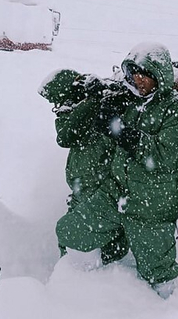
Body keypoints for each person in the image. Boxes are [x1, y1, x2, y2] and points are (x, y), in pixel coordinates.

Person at [55, 43, 178, 299]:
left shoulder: (176, 110)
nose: (138, 79)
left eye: (144, 73)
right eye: (133, 73)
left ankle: (170, 308)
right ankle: (84, 288)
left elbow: (163, 155)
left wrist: (121, 131)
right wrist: (103, 104)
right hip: (114, 192)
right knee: (71, 231)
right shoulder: (128, 99)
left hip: (151, 204)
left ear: (159, 76)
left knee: (158, 273)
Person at [39, 70, 129, 263]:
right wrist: (89, 102)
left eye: (59, 101)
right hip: (83, 193)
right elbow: (66, 135)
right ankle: (74, 276)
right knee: (70, 243)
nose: (57, 107)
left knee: (71, 234)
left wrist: (97, 99)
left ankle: (103, 273)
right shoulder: (76, 115)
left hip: (101, 193)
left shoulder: (99, 111)